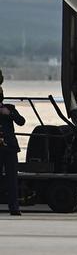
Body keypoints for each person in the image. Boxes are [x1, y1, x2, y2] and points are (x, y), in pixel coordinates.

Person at [0, 80, 27, 216]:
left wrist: (9, 114)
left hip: (9, 148)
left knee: (12, 179)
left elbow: (21, 121)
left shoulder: (10, 108)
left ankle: (14, 207)